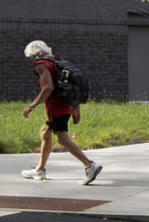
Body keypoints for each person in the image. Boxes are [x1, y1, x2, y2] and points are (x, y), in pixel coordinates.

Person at [20, 40, 102, 185]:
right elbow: (73, 84)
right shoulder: (57, 60)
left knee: (62, 138)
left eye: (30, 57)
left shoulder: (42, 64)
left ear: (33, 53)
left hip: (56, 106)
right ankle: (40, 169)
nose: (32, 60)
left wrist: (31, 106)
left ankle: (89, 165)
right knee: (45, 133)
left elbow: (48, 88)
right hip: (66, 103)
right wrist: (76, 107)